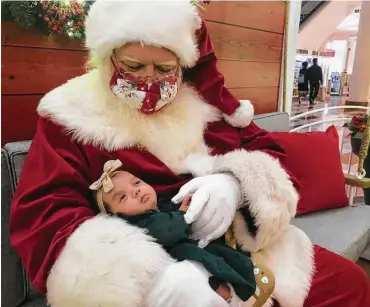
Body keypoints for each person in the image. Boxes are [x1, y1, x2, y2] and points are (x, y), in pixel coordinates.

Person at [9, 1, 370, 307]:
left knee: (350, 284)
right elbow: (46, 215)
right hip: (160, 268)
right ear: (107, 57)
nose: (149, 81)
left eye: (164, 69)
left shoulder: (201, 104)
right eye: (134, 66)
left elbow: (269, 154)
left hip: (245, 248)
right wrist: (157, 281)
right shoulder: (69, 115)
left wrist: (235, 184)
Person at [88, 159, 260, 304]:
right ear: (116, 216)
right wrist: (182, 214)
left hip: (188, 251)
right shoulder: (137, 224)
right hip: (177, 262)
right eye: (123, 197)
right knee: (204, 260)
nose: (136, 191)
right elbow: (166, 230)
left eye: (137, 182)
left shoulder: (158, 206)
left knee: (221, 254)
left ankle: (240, 281)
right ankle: (227, 289)